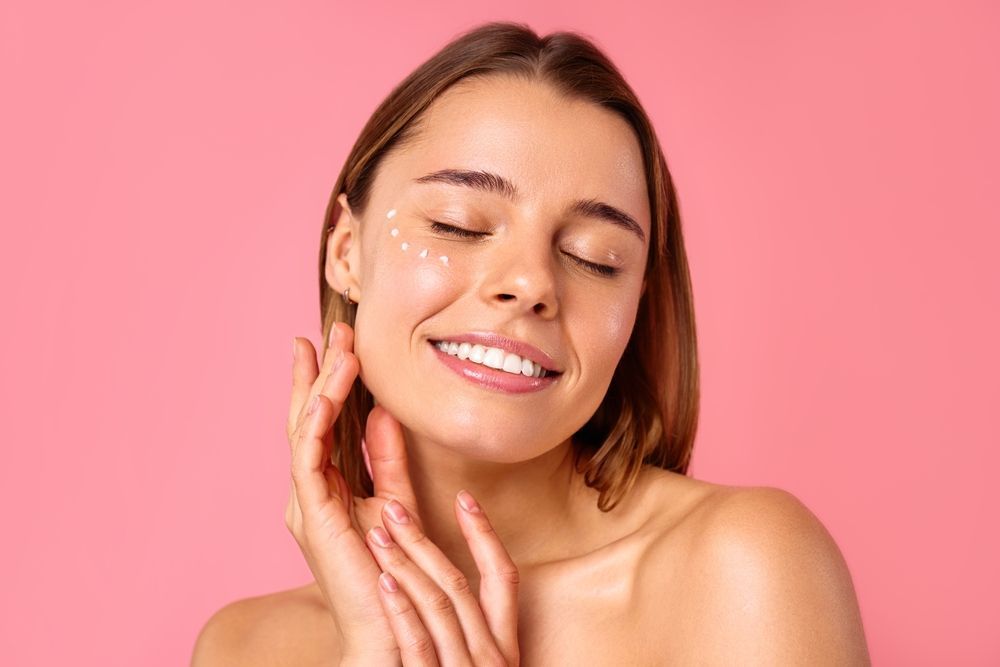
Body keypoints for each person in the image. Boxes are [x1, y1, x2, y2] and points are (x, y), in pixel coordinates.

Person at [192, 21, 870, 665]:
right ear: (347, 252)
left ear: (638, 305)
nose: (530, 283)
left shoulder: (744, 569)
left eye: (595, 257)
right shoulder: (246, 647)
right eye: (458, 224)